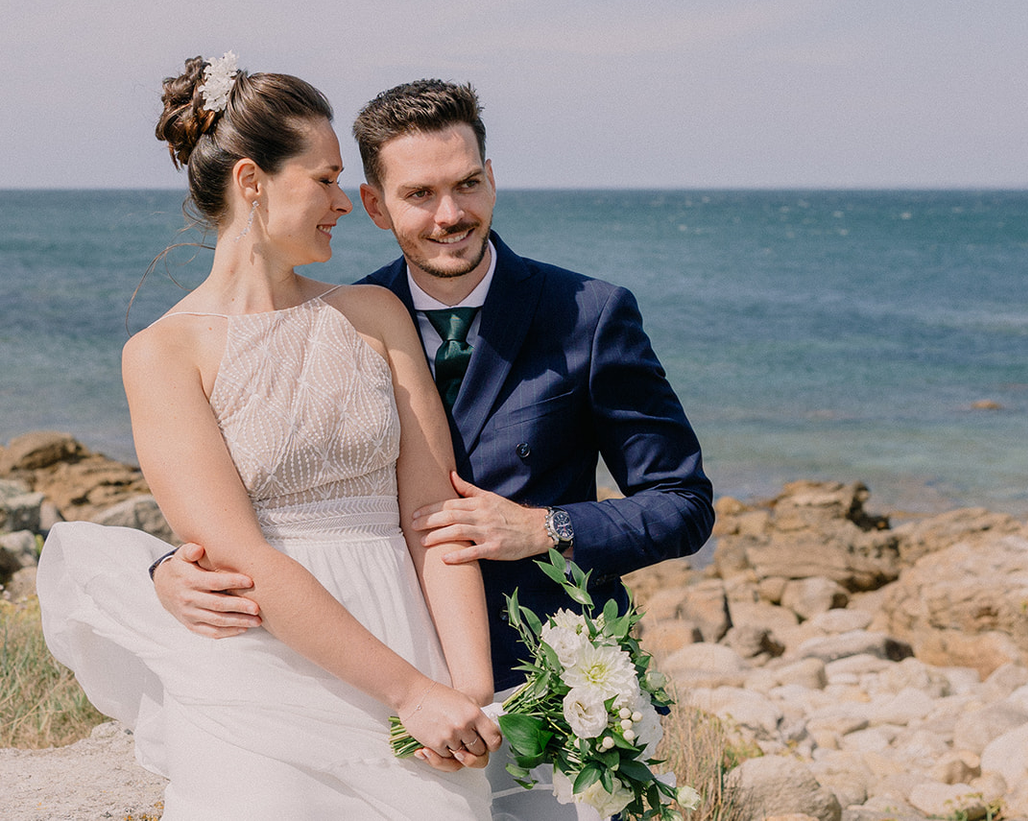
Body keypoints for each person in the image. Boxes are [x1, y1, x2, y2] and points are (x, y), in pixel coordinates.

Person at [151, 78, 716, 821]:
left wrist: (546, 528)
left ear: (492, 179)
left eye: (469, 184)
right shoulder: (346, 316)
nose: (452, 215)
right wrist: (173, 566)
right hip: (374, 674)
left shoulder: (590, 315)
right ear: (377, 204)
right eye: (420, 194)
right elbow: (265, 489)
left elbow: (683, 504)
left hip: (549, 688)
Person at [38, 56, 504, 820]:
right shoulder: (162, 354)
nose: (342, 203)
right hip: (264, 665)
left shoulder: (374, 317)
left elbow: (434, 516)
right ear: (252, 181)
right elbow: (240, 556)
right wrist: (407, 692)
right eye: (323, 180)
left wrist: (464, 690)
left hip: (408, 637)